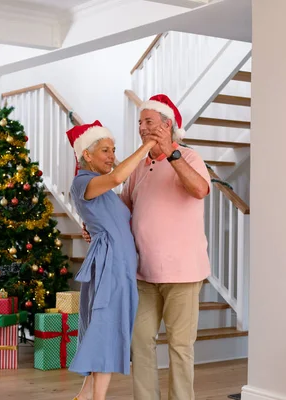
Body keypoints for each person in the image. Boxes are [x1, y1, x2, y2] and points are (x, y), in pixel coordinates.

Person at [82, 94, 211, 400]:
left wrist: (172, 154)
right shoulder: (139, 168)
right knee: (140, 343)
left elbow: (200, 189)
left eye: (149, 122)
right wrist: (96, 228)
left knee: (180, 347)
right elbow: (122, 212)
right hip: (142, 272)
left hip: (183, 272)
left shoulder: (189, 157)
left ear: (168, 126)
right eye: (140, 122)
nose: (142, 128)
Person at [66, 120, 158, 400]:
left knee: (106, 329)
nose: (112, 156)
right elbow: (118, 177)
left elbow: (110, 217)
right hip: (109, 267)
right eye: (105, 150)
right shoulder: (83, 182)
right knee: (104, 331)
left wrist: (91, 228)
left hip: (119, 267)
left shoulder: (103, 191)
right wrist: (148, 145)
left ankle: (84, 397)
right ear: (87, 155)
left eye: (114, 150)